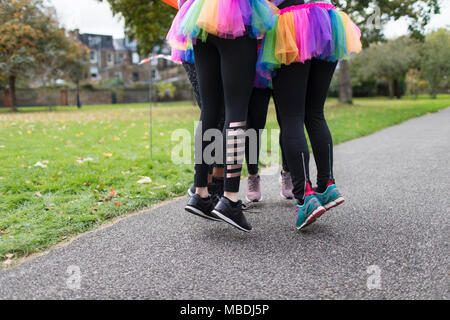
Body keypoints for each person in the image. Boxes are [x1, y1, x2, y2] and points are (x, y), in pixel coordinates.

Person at [167, 0, 278, 232]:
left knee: (210, 109)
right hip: (235, 11)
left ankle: (200, 193)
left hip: (199, 12)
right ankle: (230, 197)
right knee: (236, 109)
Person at [257, 0, 362, 229]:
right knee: (315, 113)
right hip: (328, 18)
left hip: (290, 21)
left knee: (292, 116)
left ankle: (305, 197)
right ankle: (327, 185)